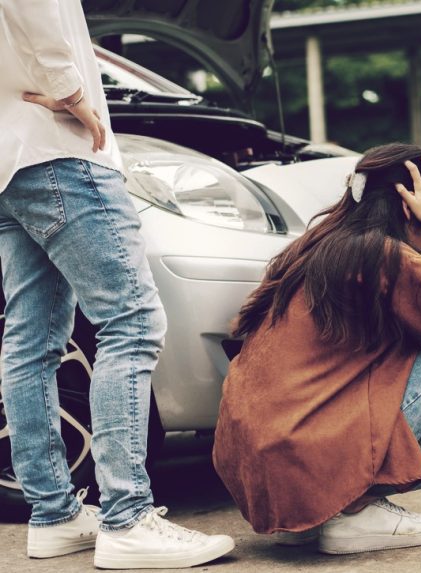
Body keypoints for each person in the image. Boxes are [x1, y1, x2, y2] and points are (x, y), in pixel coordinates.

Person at [0, 0, 234, 568]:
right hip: (55, 147)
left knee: (32, 341)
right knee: (131, 321)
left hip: (11, 155)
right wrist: (74, 91)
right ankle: (128, 518)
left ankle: (53, 515)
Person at [213, 143, 421, 555]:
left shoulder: (310, 248)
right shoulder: (389, 258)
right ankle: (356, 512)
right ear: (410, 210)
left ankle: (313, 515)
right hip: (303, 453)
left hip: (256, 472)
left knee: (389, 360)